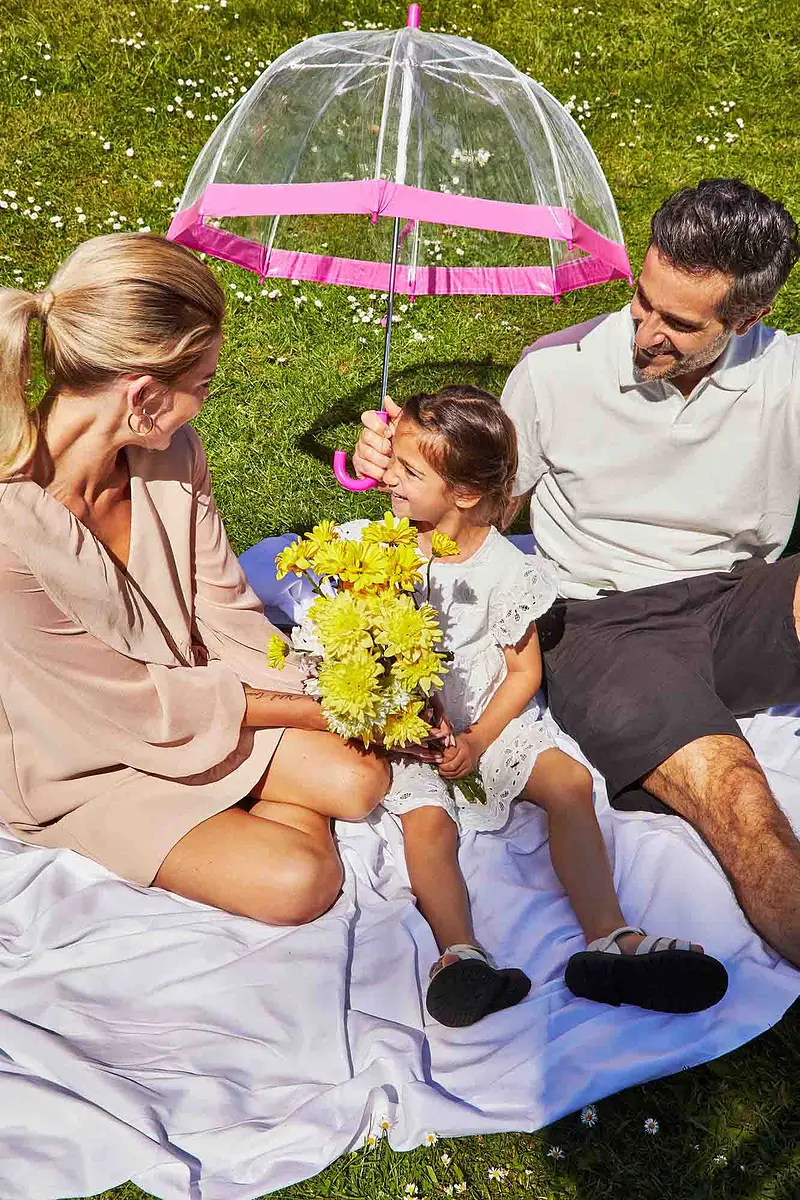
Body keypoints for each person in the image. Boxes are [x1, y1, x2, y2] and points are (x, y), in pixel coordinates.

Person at [353, 177, 800, 971]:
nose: (646, 332)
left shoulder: (785, 374)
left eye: (679, 323)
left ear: (749, 317)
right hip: (606, 627)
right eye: (643, 300)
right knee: (736, 790)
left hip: (739, 602)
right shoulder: (555, 371)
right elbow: (482, 510)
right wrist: (403, 468)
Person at [0, 232, 392, 926]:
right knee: (298, 882)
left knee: (361, 778)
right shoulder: (10, 528)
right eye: (203, 385)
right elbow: (129, 704)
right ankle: (235, 822)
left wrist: (338, 690)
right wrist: (314, 711)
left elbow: (228, 613)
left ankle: (230, 810)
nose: (206, 402)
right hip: (84, 751)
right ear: (145, 396)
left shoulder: (173, 450)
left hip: (198, 700)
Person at [345, 385, 727, 1027]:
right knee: (426, 822)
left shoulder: (504, 570)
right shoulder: (381, 555)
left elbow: (524, 671)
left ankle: (610, 937)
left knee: (569, 782)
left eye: (409, 472)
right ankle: (459, 955)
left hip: (491, 723)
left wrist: (479, 738)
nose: (389, 478)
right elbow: (364, 652)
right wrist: (402, 723)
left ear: (465, 493)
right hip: (414, 734)